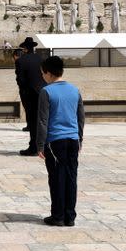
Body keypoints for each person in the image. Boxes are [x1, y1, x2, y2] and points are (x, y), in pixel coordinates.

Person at [36, 56, 85, 227]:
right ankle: (69, 216)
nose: (42, 76)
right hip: (72, 140)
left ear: (48, 73)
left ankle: (57, 216)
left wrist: (40, 145)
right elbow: (81, 118)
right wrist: (80, 139)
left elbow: (43, 120)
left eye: (43, 73)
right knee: (71, 178)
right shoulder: (75, 90)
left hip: (55, 141)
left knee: (57, 178)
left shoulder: (46, 91)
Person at [15, 37, 45, 156]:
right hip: (43, 92)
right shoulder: (41, 59)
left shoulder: (21, 61)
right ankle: (43, 146)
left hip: (29, 94)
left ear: (25, 48)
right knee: (42, 120)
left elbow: (20, 80)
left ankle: (33, 147)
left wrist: (23, 90)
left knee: (32, 120)